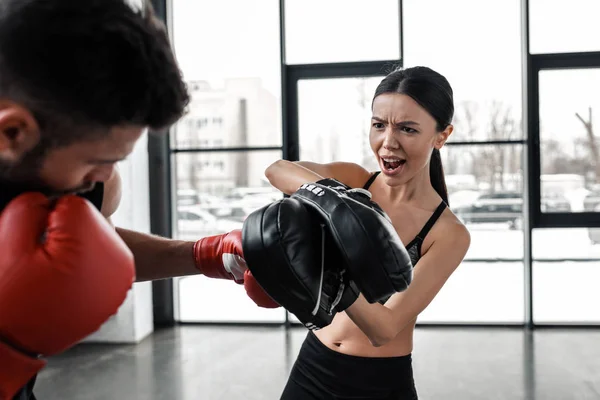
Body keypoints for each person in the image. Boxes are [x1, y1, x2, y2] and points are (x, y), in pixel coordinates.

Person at [0, 1, 275, 399]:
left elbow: (94, 251)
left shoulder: (57, 173)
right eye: (97, 162)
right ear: (12, 132)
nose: (104, 178)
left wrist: (206, 254)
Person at [264, 66, 471, 399]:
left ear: (441, 136)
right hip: (312, 367)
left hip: (379, 385)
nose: (388, 143)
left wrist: (335, 277)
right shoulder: (356, 182)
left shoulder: (447, 233)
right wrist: (333, 201)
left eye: (407, 128)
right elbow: (277, 170)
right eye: (378, 125)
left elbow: (384, 328)